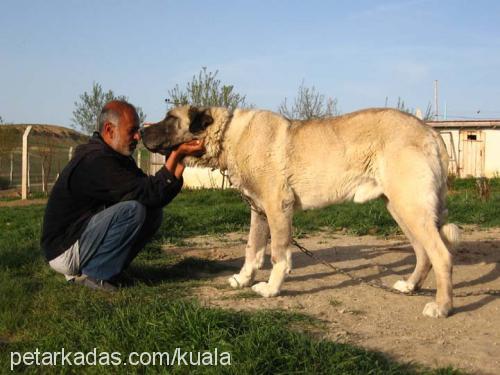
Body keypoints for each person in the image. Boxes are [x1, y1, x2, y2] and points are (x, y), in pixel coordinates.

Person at [41, 100, 204, 291]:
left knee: (152, 212)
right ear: (110, 130)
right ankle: (95, 274)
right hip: (65, 249)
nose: (137, 136)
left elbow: (153, 195)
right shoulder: (96, 160)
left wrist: (179, 158)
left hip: (80, 238)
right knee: (132, 211)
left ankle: (111, 271)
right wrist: (176, 155)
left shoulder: (114, 157)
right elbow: (148, 192)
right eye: (132, 131)